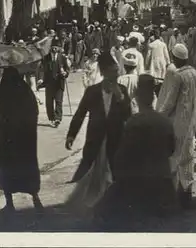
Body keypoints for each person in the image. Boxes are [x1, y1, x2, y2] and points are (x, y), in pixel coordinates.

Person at [96, 74, 176, 228]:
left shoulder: (134, 123)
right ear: (153, 97)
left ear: (138, 97)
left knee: (103, 212)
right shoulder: (165, 122)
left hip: (139, 185)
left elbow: (121, 157)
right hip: (164, 186)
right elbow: (171, 150)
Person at [65, 52, 131, 211]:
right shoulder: (92, 91)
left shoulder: (121, 90)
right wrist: (71, 135)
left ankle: (114, 206)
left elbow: (128, 115)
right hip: (96, 139)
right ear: (104, 72)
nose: (116, 75)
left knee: (115, 172)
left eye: (117, 71)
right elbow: (80, 113)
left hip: (115, 139)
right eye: (113, 72)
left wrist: (120, 97)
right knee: (91, 173)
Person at [156, 44, 196, 208]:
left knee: (175, 157)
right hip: (192, 122)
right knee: (188, 156)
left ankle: (175, 195)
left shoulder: (178, 76)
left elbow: (169, 103)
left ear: (175, 58)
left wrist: (158, 116)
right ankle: (187, 194)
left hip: (177, 123)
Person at [0, 67, 42, 212]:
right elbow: (34, 111)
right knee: (27, 168)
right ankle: (35, 198)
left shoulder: (4, 94)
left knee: (6, 170)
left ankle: (10, 203)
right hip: (25, 142)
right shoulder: (26, 91)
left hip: (7, 143)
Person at [42, 37, 70, 128]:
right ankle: (52, 118)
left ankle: (58, 118)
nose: (54, 49)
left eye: (56, 47)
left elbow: (67, 69)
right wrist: (40, 79)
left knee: (58, 101)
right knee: (49, 102)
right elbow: (41, 70)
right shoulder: (46, 58)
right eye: (53, 47)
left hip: (59, 83)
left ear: (59, 48)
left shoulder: (62, 58)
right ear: (50, 48)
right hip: (49, 84)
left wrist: (65, 73)